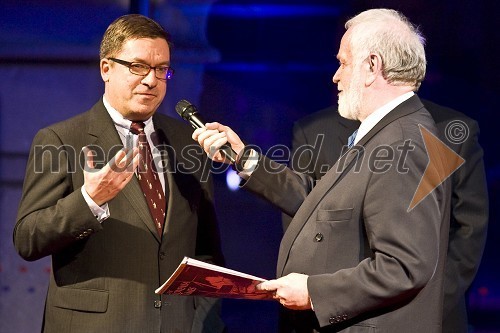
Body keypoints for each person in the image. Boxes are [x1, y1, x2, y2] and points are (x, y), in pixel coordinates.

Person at [193, 8, 452, 332]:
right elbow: (321, 204)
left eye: (343, 63)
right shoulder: (391, 132)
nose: (335, 76)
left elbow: (405, 267)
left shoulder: (405, 141)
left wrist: (313, 292)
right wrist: (244, 159)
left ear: (372, 66)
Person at [14, 14, 225, 333]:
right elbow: (28, 239)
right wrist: (90, 200)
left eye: (161, 70)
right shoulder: (61, 139)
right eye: (138, 66)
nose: (151, 80)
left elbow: (206, 250)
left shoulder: (187, 142)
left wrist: (201, 320)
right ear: (106, 68)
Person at [284, 101, 489, 333]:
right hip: (329, 316)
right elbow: (305, 213)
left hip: (429, 312)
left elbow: (468, 228)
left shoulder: (454, 130)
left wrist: (426, 299)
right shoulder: (313, 130)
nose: (336, 76)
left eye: (343, 63)